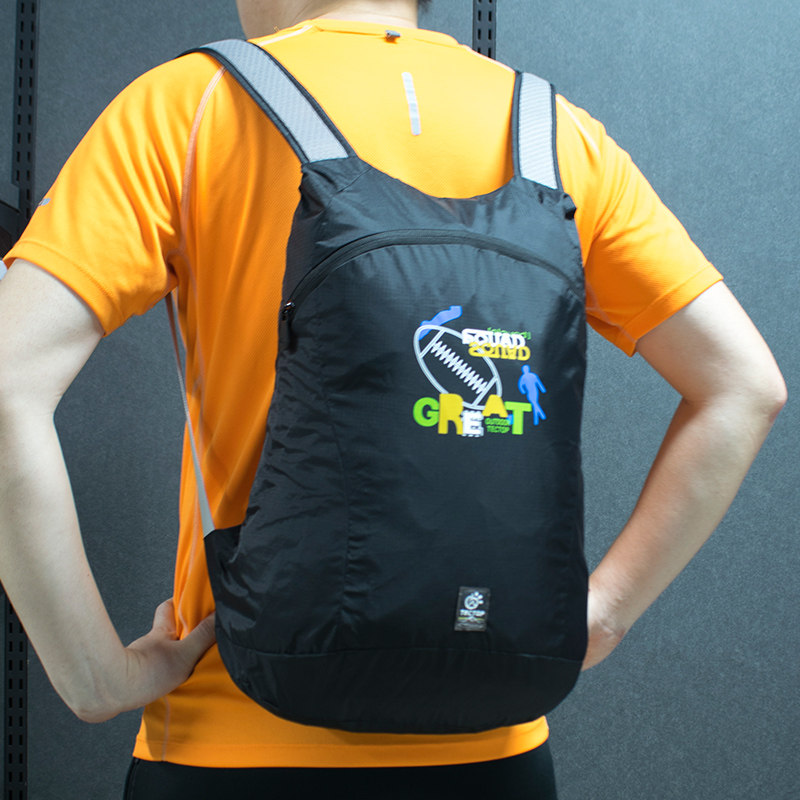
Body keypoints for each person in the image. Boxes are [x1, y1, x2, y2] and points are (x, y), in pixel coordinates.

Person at [0, 1, 786, 797]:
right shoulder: (557, 135)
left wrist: (96, 679)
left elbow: (7, 385)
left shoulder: (193, 104)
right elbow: (743, 385)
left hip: (234, 736)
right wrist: (605, 610)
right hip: (495, 746)